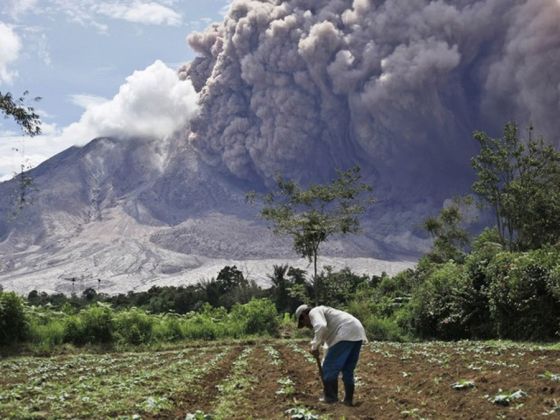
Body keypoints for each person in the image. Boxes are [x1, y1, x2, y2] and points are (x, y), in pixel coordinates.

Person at [295, 304, 367, 406]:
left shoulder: (314, 312)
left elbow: (321, 326)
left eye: (304, 323)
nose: (307, 326)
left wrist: (314, 346)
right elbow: (328, 346)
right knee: (347, 369)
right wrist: (318, 349)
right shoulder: (326, 315)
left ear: (304, 315)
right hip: (357, 331)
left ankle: (330, 399)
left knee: (329, 368)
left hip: (345, 331)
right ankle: (348, 400)